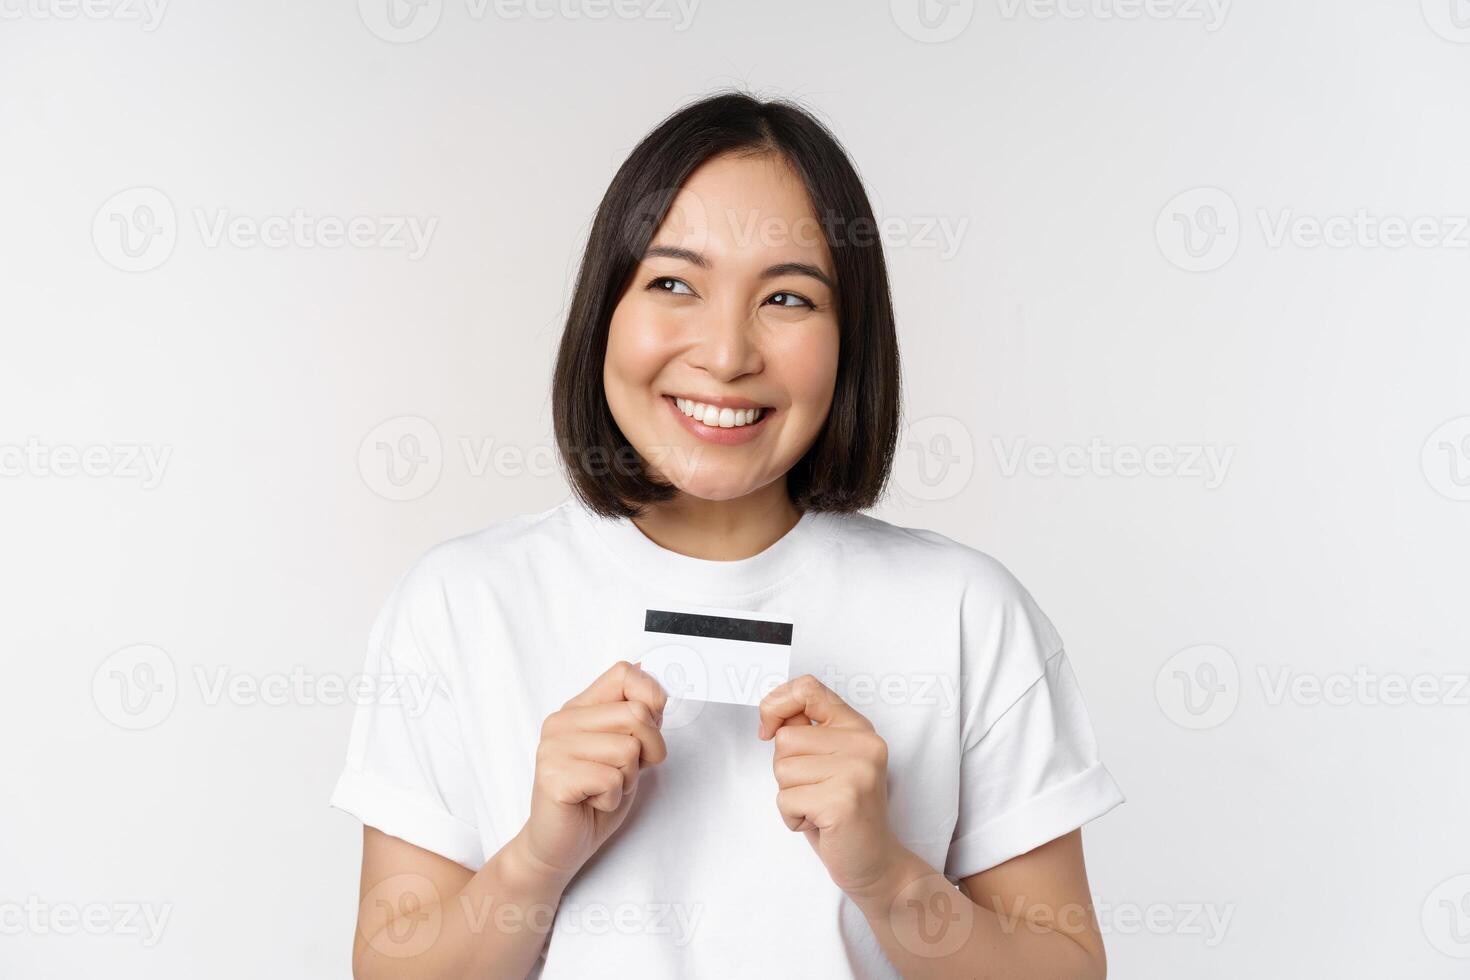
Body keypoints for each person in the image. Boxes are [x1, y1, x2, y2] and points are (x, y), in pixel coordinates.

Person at [331, 89, 1126, 979]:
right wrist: (538, 857)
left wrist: (888, 874)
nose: (726, 352)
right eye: (673, 283)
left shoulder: (969, 615)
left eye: (787, 298)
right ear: (605, 308)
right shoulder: (459, 606)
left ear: (849, 340)